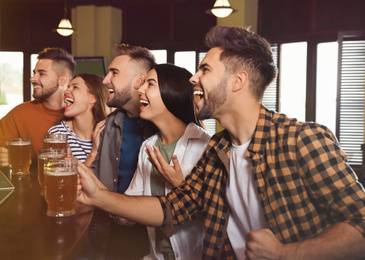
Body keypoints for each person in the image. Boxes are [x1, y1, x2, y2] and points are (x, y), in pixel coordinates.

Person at [77, 26, 365, 260]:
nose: (193, 78)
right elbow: (172, 208)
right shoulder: (218, 150)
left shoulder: (302, 140)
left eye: (205, 70)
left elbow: (360, 225)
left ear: (237, 81)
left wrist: (286, 254)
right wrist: (99, 196)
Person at [122, 64, 211, 260]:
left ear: (171, 92)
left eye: (150, 84)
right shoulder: (147, 146)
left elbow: (217, 217)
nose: (140, 89)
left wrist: (180, 185)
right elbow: (129, 208)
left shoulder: (205, 146)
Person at [85, 44, 156, 260]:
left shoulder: (162, 127)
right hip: (111, 233)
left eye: (114, 73)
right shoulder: (108, 124)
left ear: (139, 81)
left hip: (150, 235)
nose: (105, 80)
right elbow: (96, 177)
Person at [0, 47, 75, 164]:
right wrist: (3, 156)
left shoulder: (81, 114)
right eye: (34, 73)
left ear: (62, 80)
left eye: (41, 74)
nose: (32, 78)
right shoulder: (19, 114)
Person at [47, 73, 109, 166]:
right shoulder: (57, 134)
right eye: (68, 87)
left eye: (75, 87)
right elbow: (67, 179)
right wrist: (93, 153)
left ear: (93, 98)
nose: (66, 91)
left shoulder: (108, 134)